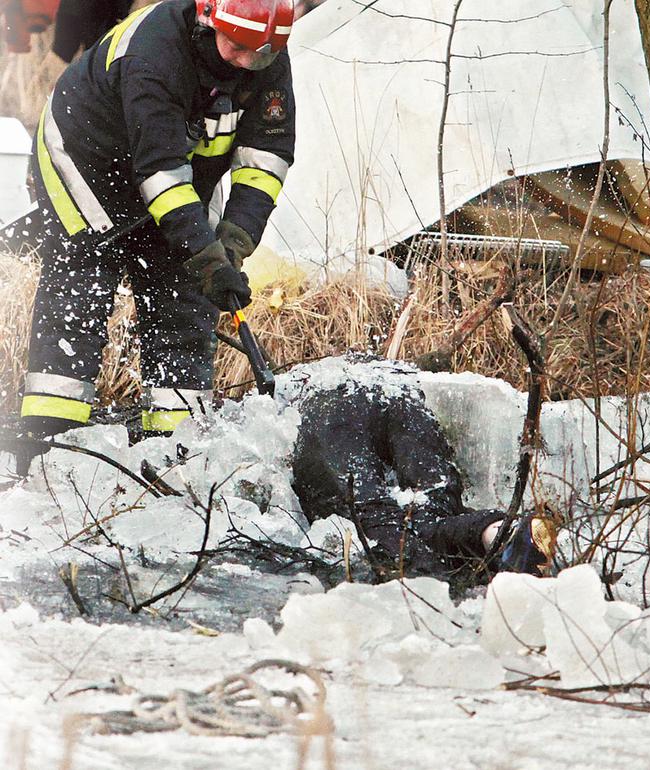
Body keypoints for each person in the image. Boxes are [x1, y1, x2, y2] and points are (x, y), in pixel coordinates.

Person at [16, 0, 296, 474]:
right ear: (208, 20)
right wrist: (204, 253)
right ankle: (48, 449)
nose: (249, 62)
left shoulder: (264, 57)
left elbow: (266, 159)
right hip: (87, 160)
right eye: (238, 47)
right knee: (80, 292)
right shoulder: (154, 53)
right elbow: (160, 173)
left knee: (186, 298)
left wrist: (230, 248)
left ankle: (175, 454)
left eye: (262, 53)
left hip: (172, 175)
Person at [292, 380, 556, 579]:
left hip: (327, 409)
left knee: (372, 513)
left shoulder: (303, 391)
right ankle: (502, 534)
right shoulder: (379, 371)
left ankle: (436, 585)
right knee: (433, 505)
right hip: (397, 391)